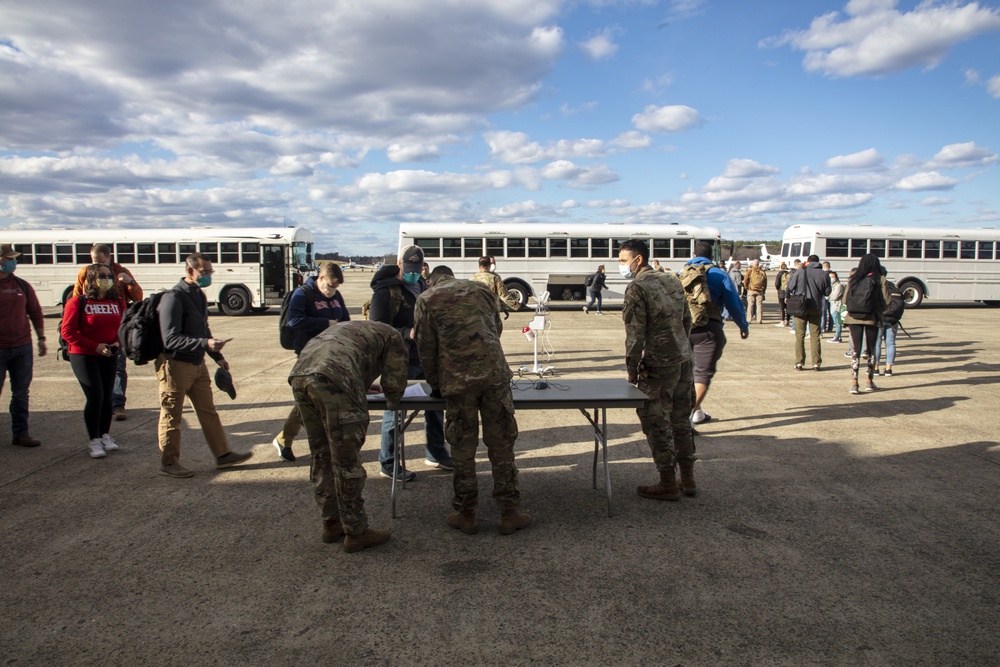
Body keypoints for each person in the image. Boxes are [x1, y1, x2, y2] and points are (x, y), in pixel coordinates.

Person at [414, 266, 530, 535]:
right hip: (494, 376)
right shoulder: (481, 289)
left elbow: (425, 346)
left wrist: (435, 384)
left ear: (431, 280)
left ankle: (466, 513)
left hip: (457, 382)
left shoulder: (427, 299)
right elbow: (495, 328)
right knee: (501, 446)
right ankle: (508, 513)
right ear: (453, 275)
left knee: (463, 450)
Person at [289, 321, 408, 553]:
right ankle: (356, 532)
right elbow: (395, 380)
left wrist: (360, 384)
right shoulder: (394, 336)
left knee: (321, 454)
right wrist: (393, 401)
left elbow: (340, 356)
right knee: (346, 460)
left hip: (300, 377)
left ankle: (331, 523)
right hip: (333, 377)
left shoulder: (354, 328)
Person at [155, 253, 253, 477]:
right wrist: (204, 342)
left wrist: (217, 356)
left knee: (208, 411)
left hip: (197, 364)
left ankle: (223, 455)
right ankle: (169, 462)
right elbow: (170, 339)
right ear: (190, 271)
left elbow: (203, 330)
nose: (208, 276)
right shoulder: (173, 298)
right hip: (175, 365)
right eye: (204, 272)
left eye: (210, 272)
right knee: (172, 414)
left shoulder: (198, 295)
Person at [620, 240, 698, 499]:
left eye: (623, 261)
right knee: (680, 420)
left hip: (658, 364)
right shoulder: (673, 281)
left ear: (638, 259)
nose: (621, 266)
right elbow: (687, 320)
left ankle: (667, 481)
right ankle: (687, 479)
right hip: (683, 360)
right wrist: (682, 348)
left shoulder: (636, 287)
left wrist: (631, 368)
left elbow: (635, 334)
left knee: (656, 421)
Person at [369, 245, 452, 481]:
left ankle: (436, 453)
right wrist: (408, 333)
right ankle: (388, 462)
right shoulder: (385, 292)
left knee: (436, 407)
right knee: (395, 412)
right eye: (409, 268)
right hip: (400, 361)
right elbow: (377, 328)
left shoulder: (422, 286)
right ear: (399, 264)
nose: (414, 273)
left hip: (427, 359)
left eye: (418, 269)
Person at [273, 262, 350, 462]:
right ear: (320, 278)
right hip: (309, 354)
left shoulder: (335, 296)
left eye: (336, 288)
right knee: (312, 399)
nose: (332, 291)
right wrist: (324, 323)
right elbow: (294, 321)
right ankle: (287, 439)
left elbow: (345, 319)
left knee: (314, 400)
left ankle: (285, 438)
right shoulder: (302, 294)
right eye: (330, 286)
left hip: (330, 353)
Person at [73, 243, 143, 422]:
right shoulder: (85, 273)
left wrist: (129, 282)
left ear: (109, 258)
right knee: (96, 373)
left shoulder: (121, 272)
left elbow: (138, 297)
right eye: (93, 261)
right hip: (91, 332)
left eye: (99, 261)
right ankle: (100, 402)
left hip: (115, 331)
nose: (95, 265)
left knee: (118, 369)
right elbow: (76, 297)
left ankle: (118, 405)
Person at [62, 264, 125, 459]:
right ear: (91, 279)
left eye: (109, 275)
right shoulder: (77, 302)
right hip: (84, 354)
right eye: (101, 276)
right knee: (95, 396)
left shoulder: (117, 301)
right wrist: (94, 346)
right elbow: (68, 332)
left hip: (109, 354)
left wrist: (116, 343)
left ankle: (105, 434)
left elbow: (122, 327)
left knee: (107, 396)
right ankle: (94, 439)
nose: (106, 279)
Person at [684, 242, 749, 426]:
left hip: (684, 329)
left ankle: (697, 412)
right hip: (708, 329)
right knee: (702, 374)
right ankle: (686, 419)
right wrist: (743, 326)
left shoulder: (684, 273)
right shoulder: (719, 274)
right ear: (711, 255)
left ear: (693, 253)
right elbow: (734, 304)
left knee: (687, 373)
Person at [0, 244, 45, 448]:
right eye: (9, 258)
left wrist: (41, 337)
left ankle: (21, 433)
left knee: (20, 392)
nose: (13, 262)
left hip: (22, 348)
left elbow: (35, 312)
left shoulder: (22, 285)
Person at [844, 255, 888, 393]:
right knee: (871, 349)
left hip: (853, 318)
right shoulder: (880, 279)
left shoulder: (853, 278)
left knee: (856, 351)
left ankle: (854, 383)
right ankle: (869, 380)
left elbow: (845, 300)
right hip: (872, 318)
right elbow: (886, 301)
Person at [786, 254, 831, 371]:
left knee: (799, 336)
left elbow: (790, 286)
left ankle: (799, 362)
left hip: (801, 307)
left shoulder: (801, 272)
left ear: (808, 262)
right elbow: (827, 292)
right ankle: (816, 362)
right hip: (816, 307)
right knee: (815, 335)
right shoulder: (824, 274)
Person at [873, 267, 899, 377]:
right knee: (891, 343)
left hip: (880, 318)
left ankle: (876, 368)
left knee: (877, 343)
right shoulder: (893, 287)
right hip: (893, 319)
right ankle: (888, 369)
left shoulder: (876, 285)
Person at [743, 259, 767, 324]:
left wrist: (747, 287)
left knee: (750, 305)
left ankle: (749, 319)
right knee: (759, 305)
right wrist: (763, 290)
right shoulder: (762, 271)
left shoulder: (750, 271)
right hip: (760, 290)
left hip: (751, 290)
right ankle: (759, 319)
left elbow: (745, 280)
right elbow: (765, 282)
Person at [828, 271, 845, 343]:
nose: (831, 279)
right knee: (836, 321)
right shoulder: (833, 285)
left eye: (832, 277)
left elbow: (835, 296)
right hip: (833, 305)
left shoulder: (839, 286)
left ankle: (838, 336)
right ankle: (837, 336)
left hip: (837, 305)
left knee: (837, 322)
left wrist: (829, 297)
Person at [775, 262, 791, 326]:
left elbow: (777, 284)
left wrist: (778, 289)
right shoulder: (789, 274)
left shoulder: (779, 274)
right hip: (788, 292)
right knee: (788, 308)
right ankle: (788, 321)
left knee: (782, 307)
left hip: (781, 292)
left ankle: (782, 321)